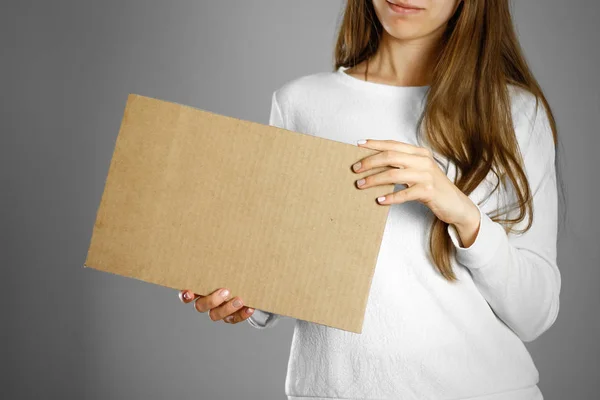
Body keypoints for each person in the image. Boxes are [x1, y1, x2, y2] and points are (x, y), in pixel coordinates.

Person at [178, 0, 563, 399]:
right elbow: (281, 271)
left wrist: (466, 216)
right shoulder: (301, 103)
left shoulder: (514, 111)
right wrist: (235, 296)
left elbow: (534, 314)